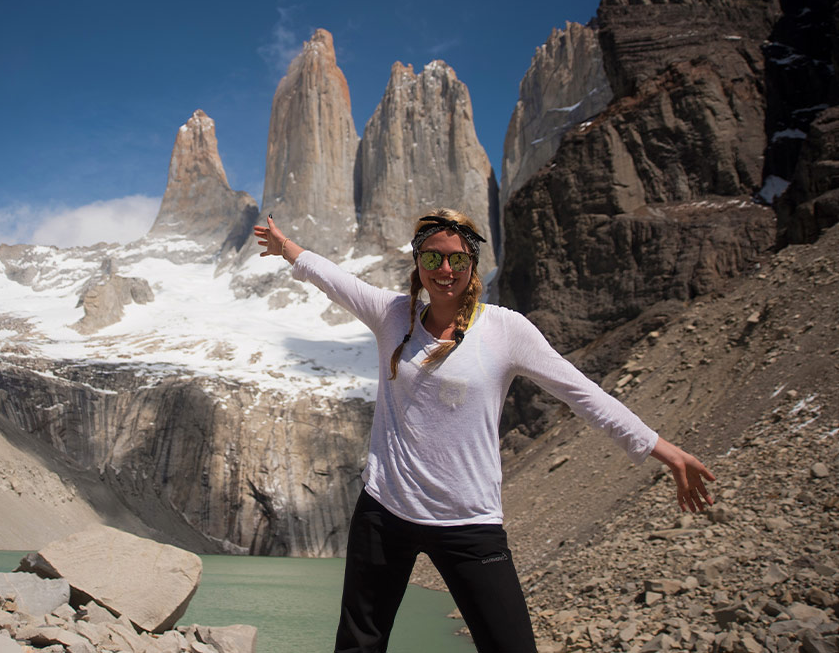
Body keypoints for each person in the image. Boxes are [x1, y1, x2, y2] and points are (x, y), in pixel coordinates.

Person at [252, 208, 715, 653]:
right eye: (433, 257)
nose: (445, 269)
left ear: (473, 264)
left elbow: (581, 393)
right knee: (359, 644)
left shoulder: (505, 329)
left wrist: (661, 449)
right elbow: (333, 279)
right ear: (418, 262)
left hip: (470, 521)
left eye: (458, 258)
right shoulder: (393, 314)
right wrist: (287, 247)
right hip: (385, 511)